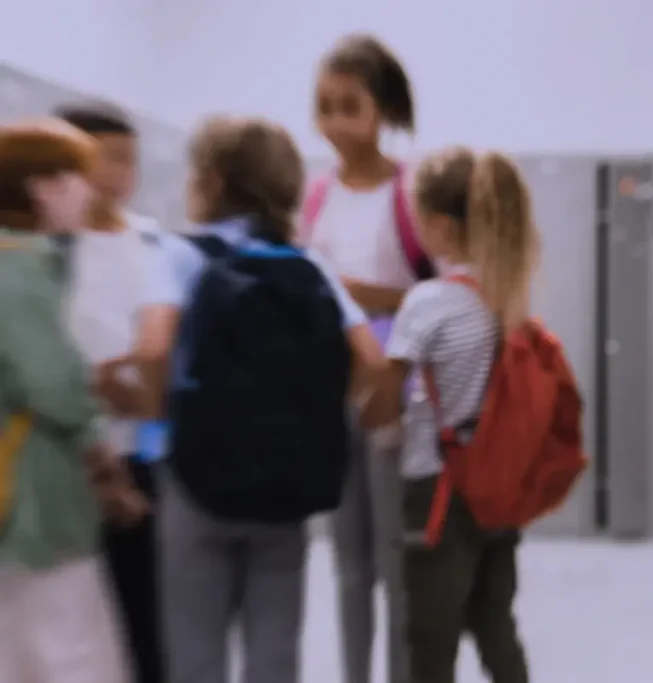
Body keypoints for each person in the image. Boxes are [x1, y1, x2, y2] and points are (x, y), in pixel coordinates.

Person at [159, 115, 383, 683]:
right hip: (285, 487)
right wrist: (316, 412)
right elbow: (372, 361)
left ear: (210, 182)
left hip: (195, 483)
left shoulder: (181, 258)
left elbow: (154, 349)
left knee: (196, 649)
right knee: (275, 651)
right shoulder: (310, 268)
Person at [363, 147, 537, 683]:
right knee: (493, 622)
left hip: (439, 493)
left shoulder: (429, 301)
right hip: (500, 490)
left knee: (429, 639)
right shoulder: (508, 293)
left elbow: (383, 402)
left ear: (439, 225)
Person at [302, 33, 433, 683]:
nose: (333, 122)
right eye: (323, 106)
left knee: (395, 562)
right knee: (347, 564)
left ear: (381, 110)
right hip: (332, 394)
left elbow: (440, 295)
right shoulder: (317, 195)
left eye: (348, 105)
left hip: (396, 395)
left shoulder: (410, 193)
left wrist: (362, 294)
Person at [0, 118, 148, 683]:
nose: (91, 190)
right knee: (70, 651)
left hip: (19, 499)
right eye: (77, 177)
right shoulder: (21, 270)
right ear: (44, 189)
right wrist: (99, 445)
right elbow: (53, 384)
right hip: (36, 500)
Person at [55, 100, 180, 683]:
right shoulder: (48, 248)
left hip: (141, 456)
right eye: (104, 159)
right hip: (64, 460)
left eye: (127, 160)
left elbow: (170, 340)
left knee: (145, 615)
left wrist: (151, 390)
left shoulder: (151, 241)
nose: (118, 174)